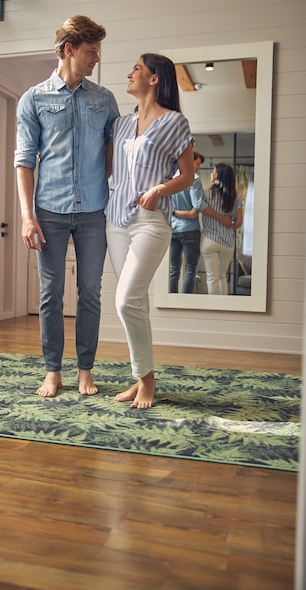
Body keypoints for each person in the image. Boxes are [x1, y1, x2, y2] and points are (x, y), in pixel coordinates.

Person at [14, 15, 119, 398]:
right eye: (91, 52)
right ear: (69, 50)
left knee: (90, 291)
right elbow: (24, 161)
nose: (96, 60)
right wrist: (27, 217)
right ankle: (53, 371)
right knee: (50, 293)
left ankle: (85, 370)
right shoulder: (34, 99)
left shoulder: (104, 99)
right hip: (49, 212)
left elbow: (116, 154)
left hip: (94, 210)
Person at [105, 53, 194, 409]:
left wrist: (159, 190)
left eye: (137, 69)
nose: (129, 73)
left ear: (154, 78)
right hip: (115, 220)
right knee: (135, 303)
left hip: (151, 223)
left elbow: (186, 175)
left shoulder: (175, 123)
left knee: (126, 300)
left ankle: (147, 380)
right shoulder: (121, 124)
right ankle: (141, 377)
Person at [170, 150, 233, 293]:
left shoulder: (171, 179)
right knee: (190, 269)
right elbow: (197, 207)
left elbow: (170, 208)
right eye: (197, 163)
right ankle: (186, 302)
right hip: (190, 231)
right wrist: (221, 218)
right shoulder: (194, 179)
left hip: (174, 230)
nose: (199, 167)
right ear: (188, 160)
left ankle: (173, 303)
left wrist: (174, 212)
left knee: (174, 270)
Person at [200, 163, 243, 295]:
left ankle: (213, 311)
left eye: (213, 171)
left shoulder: (206, 194)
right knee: (222, 276)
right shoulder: (235, 197)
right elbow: (239, 221)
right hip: (227, 242)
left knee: (212, 278)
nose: (212, 174)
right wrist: (230, 228)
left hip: (209, 240)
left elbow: (199, 208)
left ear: (218, 175)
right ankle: (225, 309)